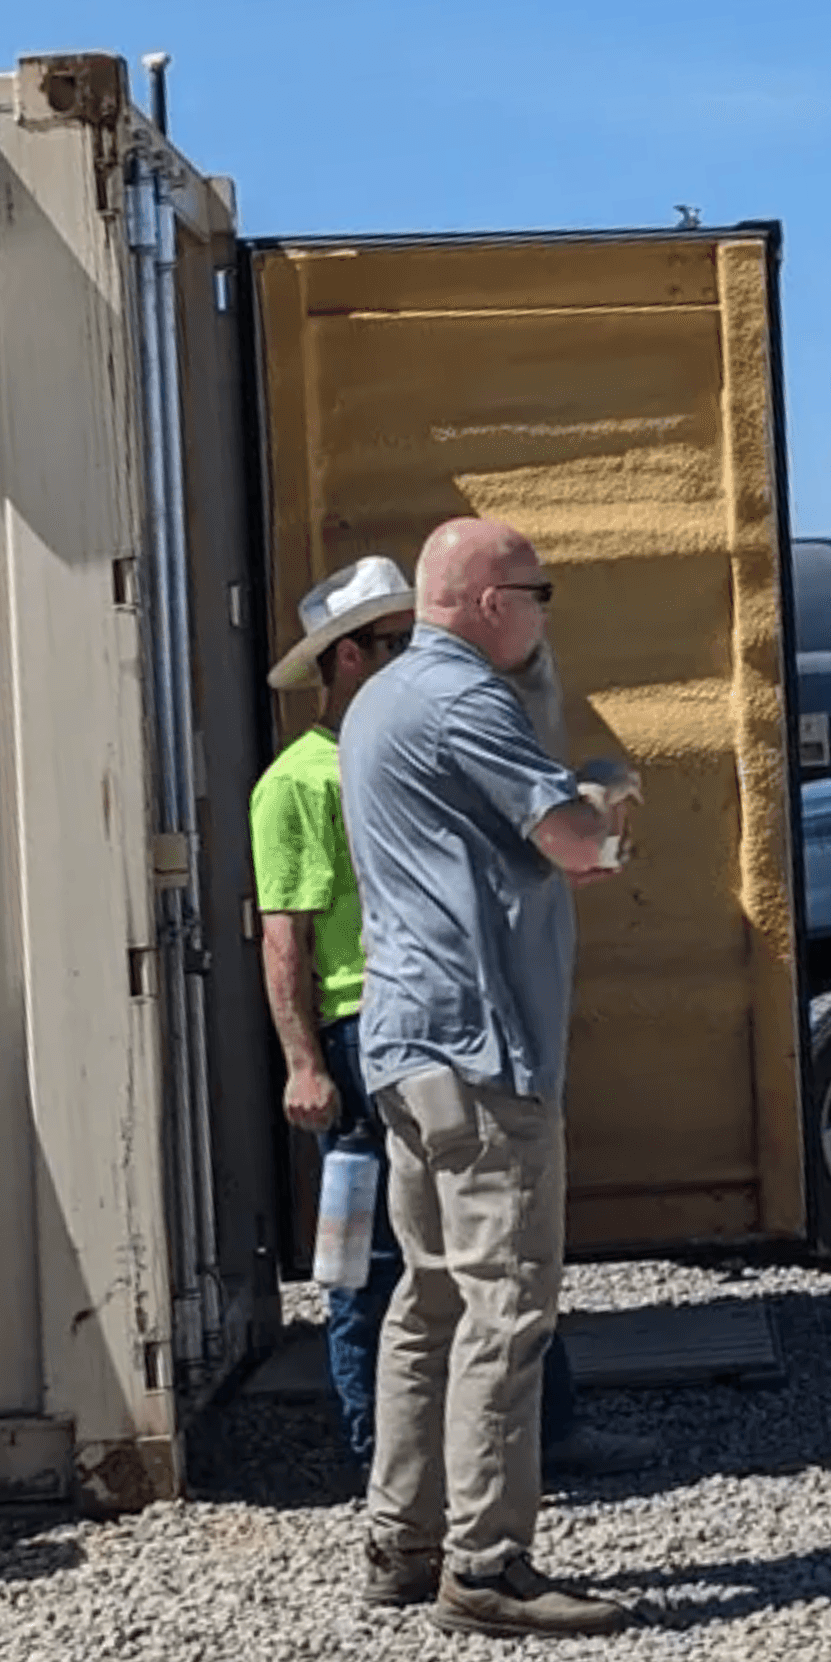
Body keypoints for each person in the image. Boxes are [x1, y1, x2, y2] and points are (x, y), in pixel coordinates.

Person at [251, 558, 650, 1483]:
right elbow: (284, 934)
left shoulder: (406, 741)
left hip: (400, 1023)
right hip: (366, 1025)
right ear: (350, 656)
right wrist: (303, 1060)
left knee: (485, 1257)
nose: (417, 659)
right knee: (376, 1266)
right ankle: (377, 1453)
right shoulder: (299, 783)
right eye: (396, 644)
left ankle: (533, 1437)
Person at [339, 517, 640, 1638]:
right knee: (508, 1311)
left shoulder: (380, 699)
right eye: (539, 592)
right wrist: (612, 805)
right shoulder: (466, 700)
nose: (546, 613)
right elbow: (574, 842)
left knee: (426, 1304)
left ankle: (401, 1538)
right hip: (483, 1048)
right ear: (485, 600)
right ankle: (488, 1564)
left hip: (409, 1044)